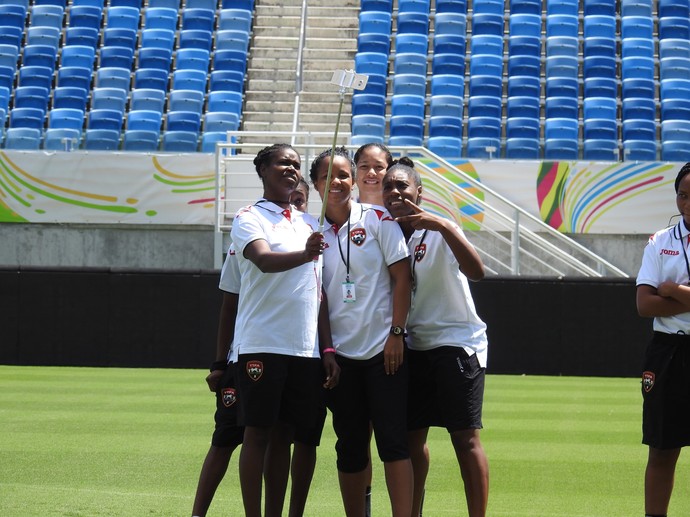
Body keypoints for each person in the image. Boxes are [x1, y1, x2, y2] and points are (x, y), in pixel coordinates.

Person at [231, 143, 339, 517]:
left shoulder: (312, 223)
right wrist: (306, 254)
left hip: (305, 351)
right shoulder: (249, 217)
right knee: (257, 433)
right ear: (263, 170)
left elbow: (319, 292)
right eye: (283, 163)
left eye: (296, 165)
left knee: (286, 437)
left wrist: (327, 350)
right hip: (263, 343)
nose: (291, 169)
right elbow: (262, 259)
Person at [382, 158, 490, 517]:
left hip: (456, 343)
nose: (395, 192)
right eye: (388, 187)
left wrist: (443, 224)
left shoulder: (439, 230)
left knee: (464, 438)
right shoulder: (387, 234)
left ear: (419, 192)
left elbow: (477, 272)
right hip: (413, 347)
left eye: (403, 186)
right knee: (412, 439)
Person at [309, 146, 414, 517]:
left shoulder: (379, 218)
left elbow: (403, 277)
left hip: (385, 353)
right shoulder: (310, 231)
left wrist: (396, 333)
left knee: (393, 444)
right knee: (350, 446)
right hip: (340, 361)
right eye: (326, 177)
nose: (335, 182)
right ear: (315, 185)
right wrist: (327, 352)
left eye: (342, 175)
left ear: (353, 180)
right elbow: (317, 298)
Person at [636, 162, 690, 517]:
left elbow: (658, 297)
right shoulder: (660, 241)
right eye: (682, 195)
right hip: (668, 352)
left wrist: (671, 290)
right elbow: (643, 304)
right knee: (661, 449)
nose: (687, 203)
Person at [191, 245, 243, 517]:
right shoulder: (242, 244)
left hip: (292, 358)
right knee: (224, 439)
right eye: (295, 197)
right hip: (241, 358)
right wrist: (220, 364)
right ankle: (197, 514)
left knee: (274, 442)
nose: (296, 201)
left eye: (301, 198)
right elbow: (229, 307)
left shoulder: (307, 235)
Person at [354, 142, 394, 208]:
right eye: (364, 166)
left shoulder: (401, 215)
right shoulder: (344, 215)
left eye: (379, 167)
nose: (371, 173)